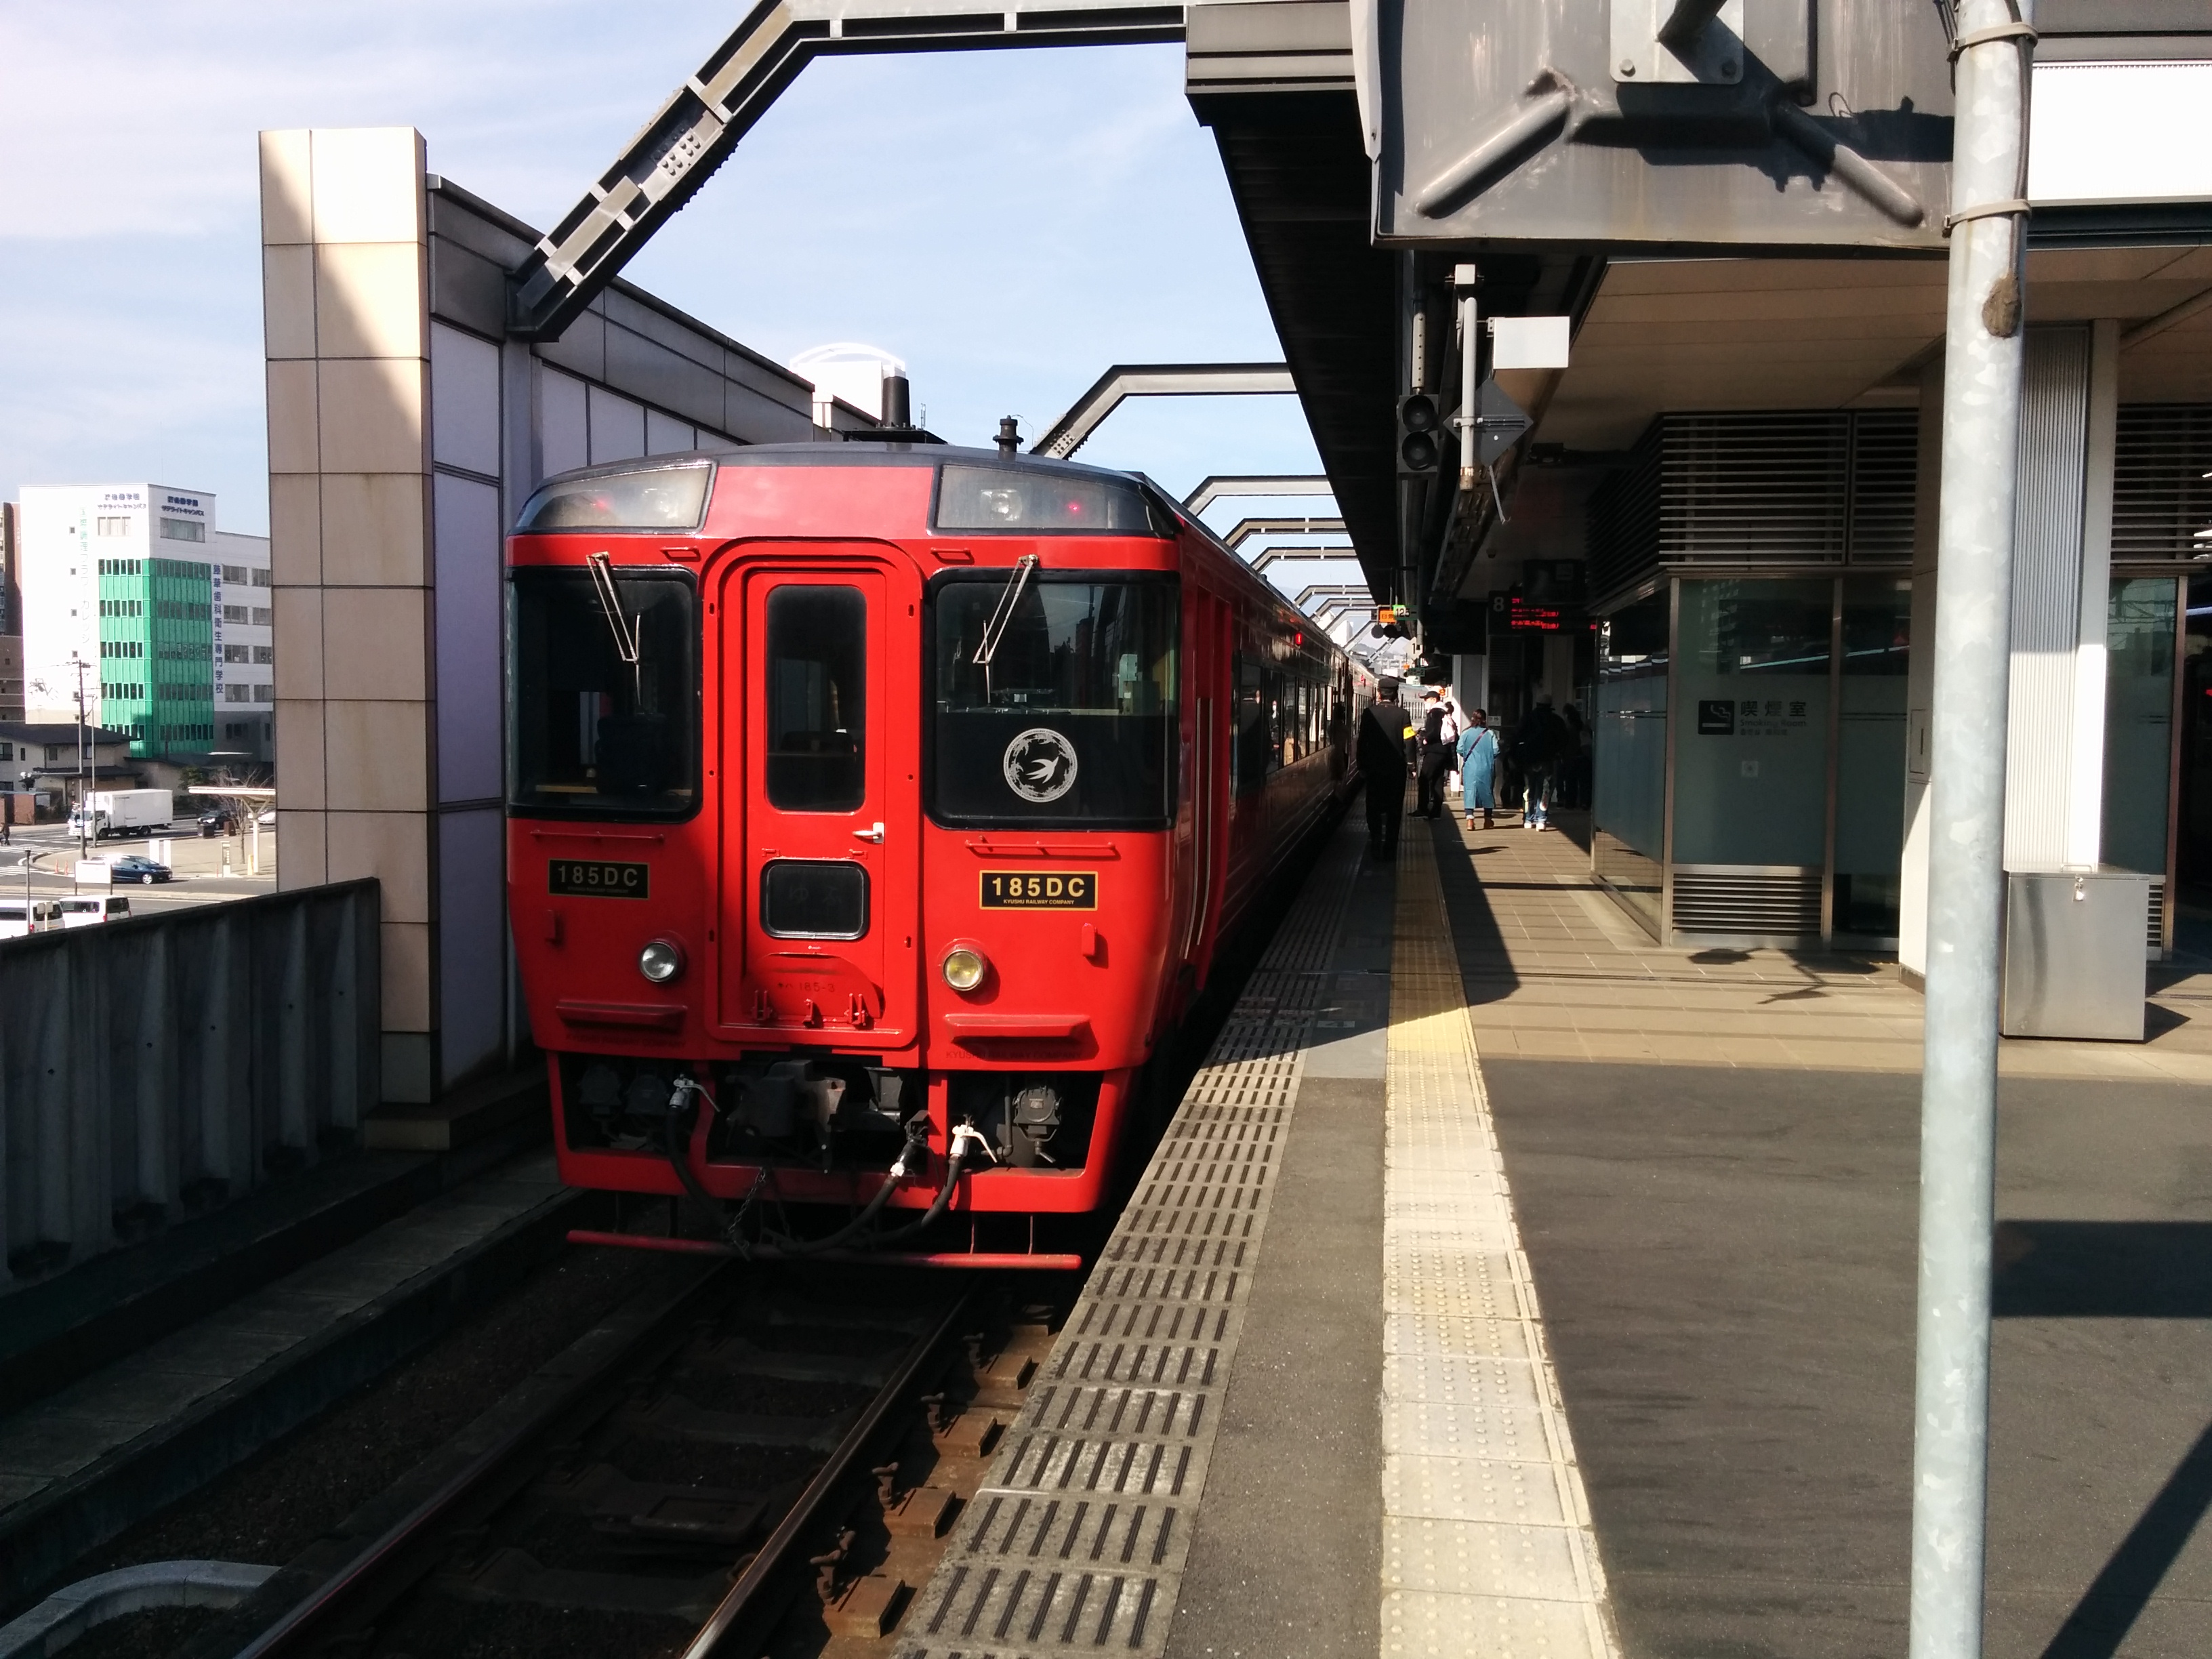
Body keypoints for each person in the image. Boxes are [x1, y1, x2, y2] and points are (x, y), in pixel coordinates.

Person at [1357, 678, 1415, 857]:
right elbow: (1409, 741)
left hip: (1374, 770)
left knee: (1373, 806)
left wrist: (1362, 766)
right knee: (1394, 809)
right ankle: (1390, 848)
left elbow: (1362, 742)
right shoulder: (1403, 715)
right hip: (1396, 771)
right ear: (1396, 693)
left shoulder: (1369, 714)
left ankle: (1375, 841)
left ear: (1379, 693)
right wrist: (1411, 765)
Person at [1512, 695, 1567, 830]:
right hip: (1548, 759)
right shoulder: (1556, 721)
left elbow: (1517, 737)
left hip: (1529, 759)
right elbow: (1563, 741)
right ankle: (1541, 818)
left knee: (1529, 788)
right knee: (1545, 789)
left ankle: (1528, 818)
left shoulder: (1527, 719)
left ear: (1537, 704)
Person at [1414, 688, 1453, 819]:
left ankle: (1422, 808)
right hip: (1442, 751)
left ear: (1433, 700)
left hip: (1434, 751)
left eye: (1427, 699)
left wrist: (1426, 738)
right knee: (1437, 781)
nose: (1425, 702)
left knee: (1424, 779)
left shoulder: (1435, 712)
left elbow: (1435, 730)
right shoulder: (1443, 712)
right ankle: (1436, 811)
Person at [1457, 709, 1498, 831]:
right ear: (1485, 719)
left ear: (1473, 719)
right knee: (1487, 792)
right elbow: (1496, 750)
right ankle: (1488, 820)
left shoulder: (1466, 733)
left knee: (1470, 792)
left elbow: (1459, 749)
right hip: (1486, 767)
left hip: (1470, 767)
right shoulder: (1490, 733)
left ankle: (1470, 820)